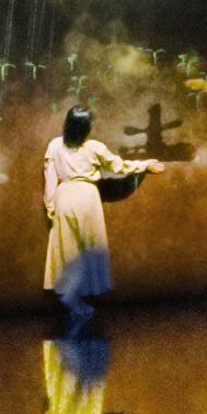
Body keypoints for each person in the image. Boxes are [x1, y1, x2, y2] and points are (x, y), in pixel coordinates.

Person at [42, 108, 161, 321]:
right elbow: (119, 166)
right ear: (86, 128)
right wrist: (144, 165)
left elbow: (50, 180)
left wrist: (51, 207)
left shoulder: (55, 145)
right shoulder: (94, 147)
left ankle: (71, 297)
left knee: (66, 249)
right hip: (87, 198)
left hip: (65, 196)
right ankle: (76, 298)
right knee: (88, 248)